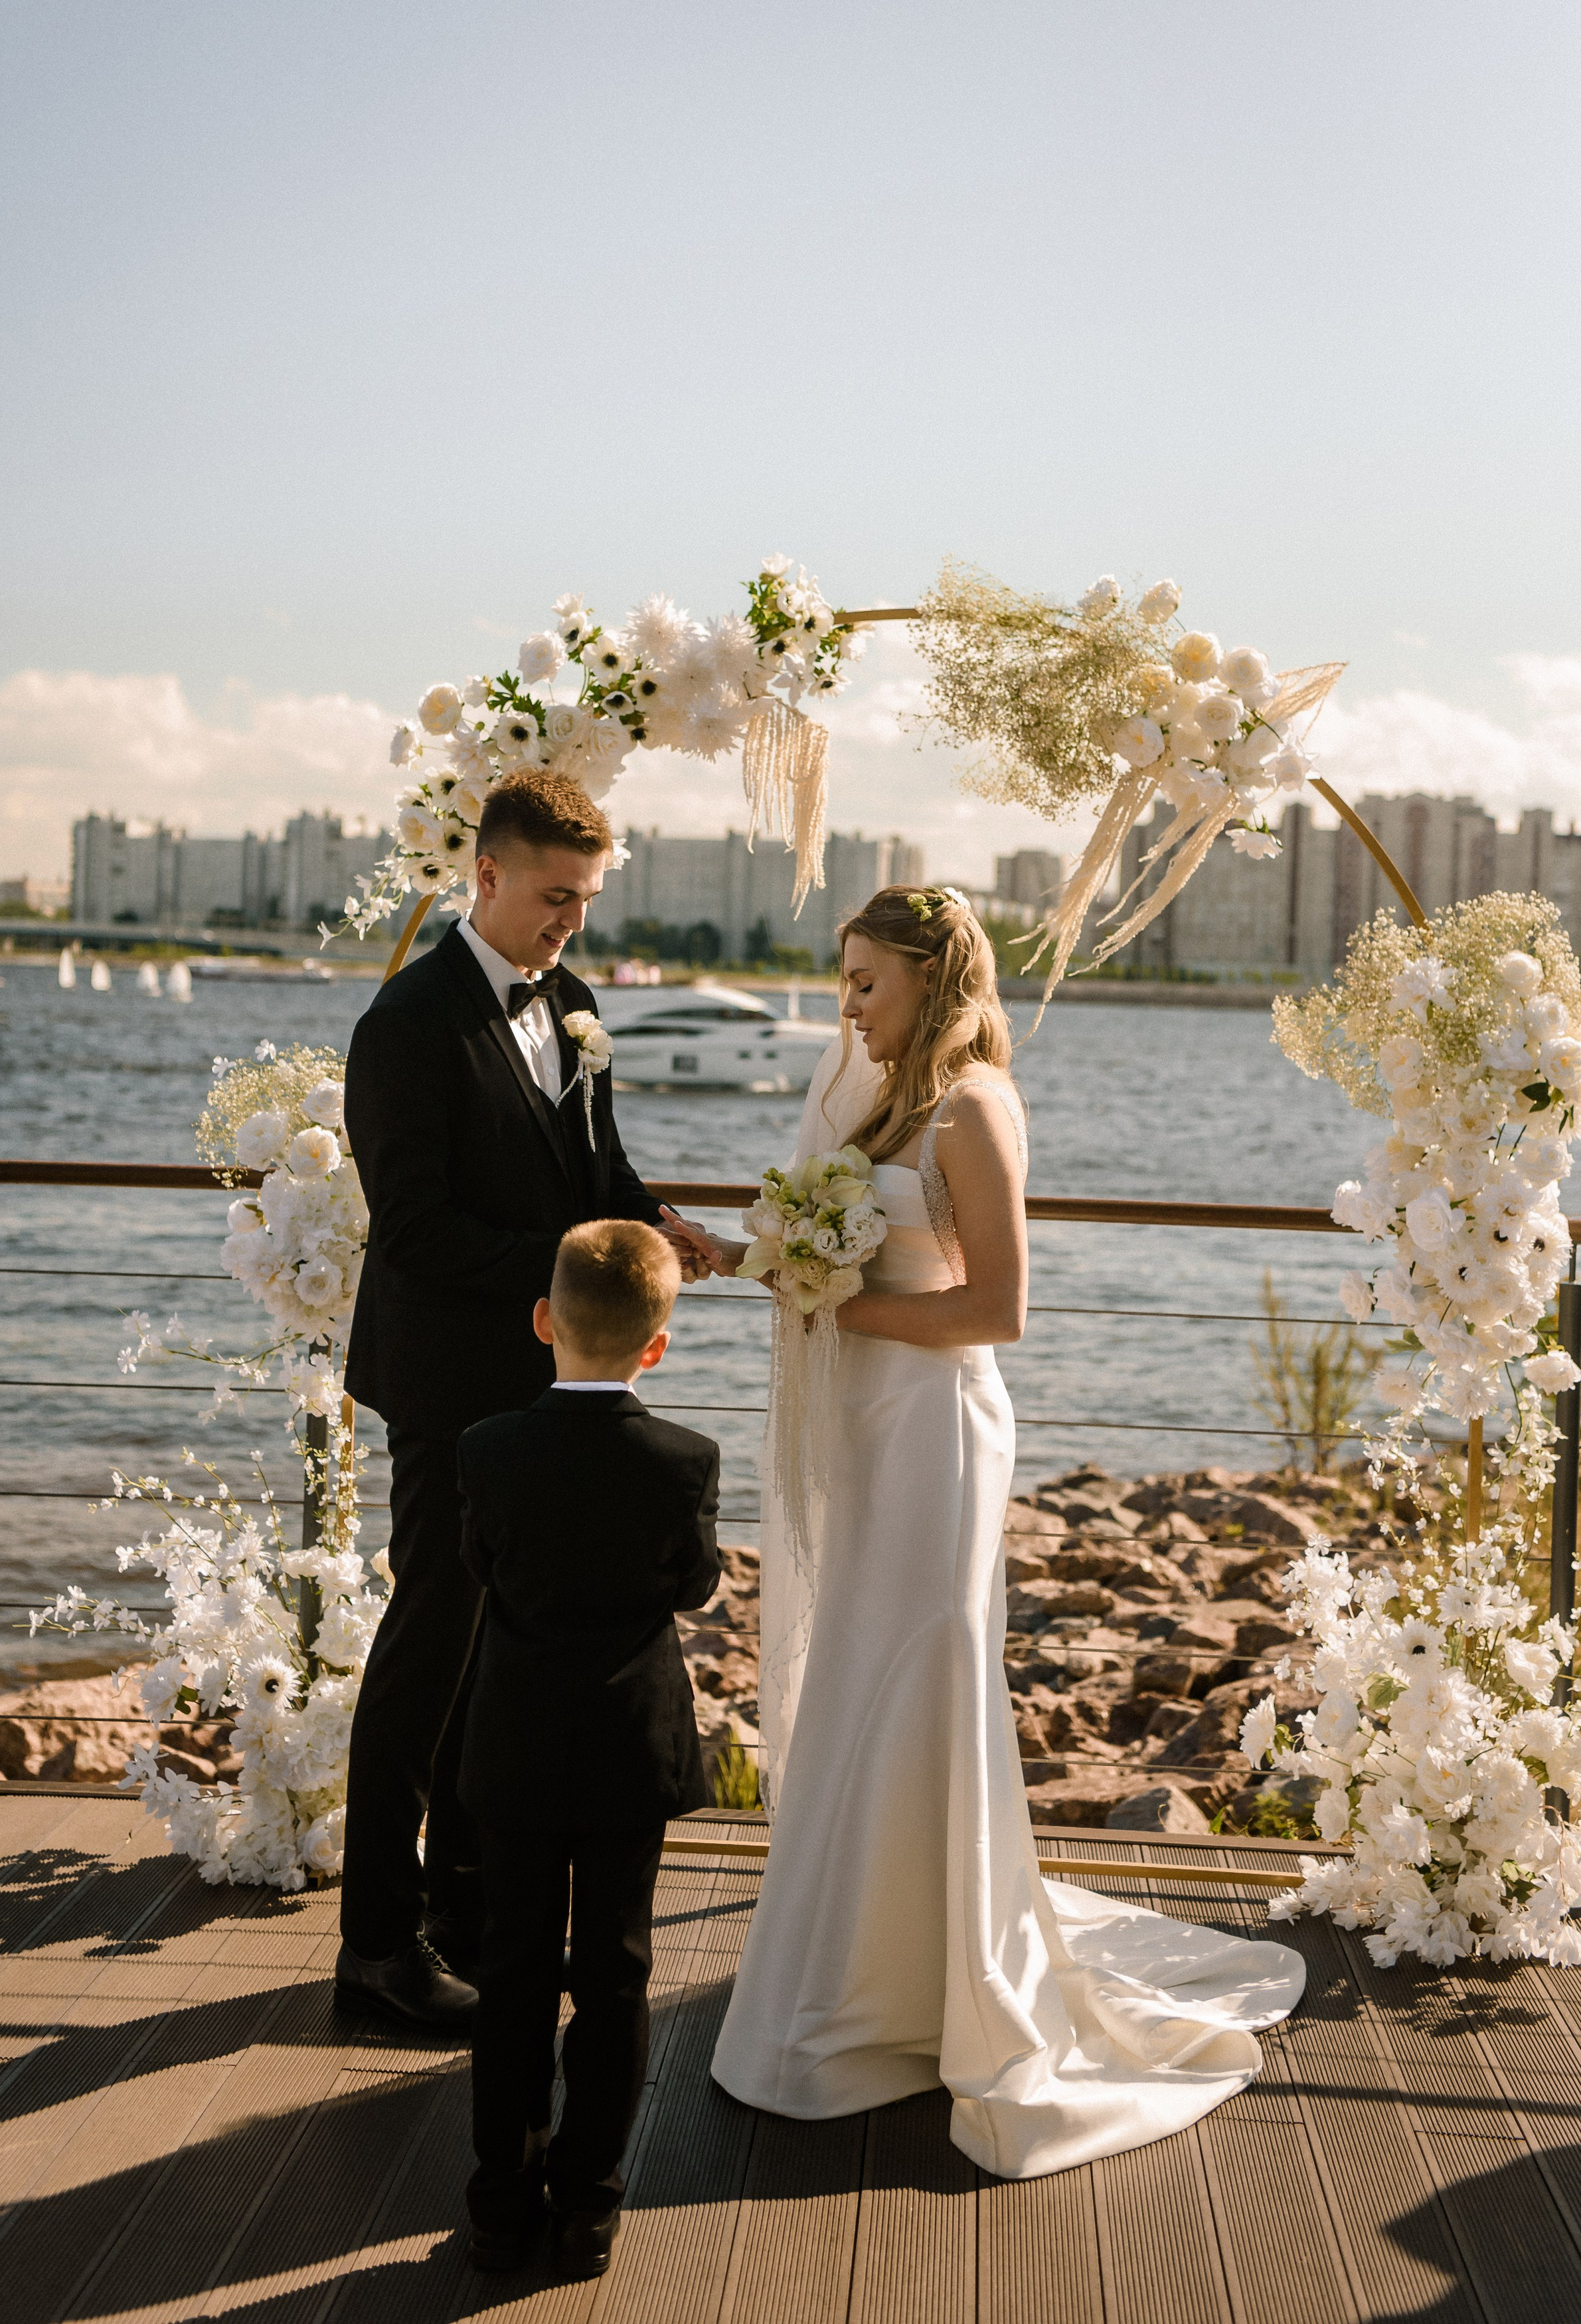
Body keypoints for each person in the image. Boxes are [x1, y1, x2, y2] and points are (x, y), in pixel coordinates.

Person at [707, 886, 1305, 2177]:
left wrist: (833, 1304)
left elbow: (998, 1310)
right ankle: (858, 1965)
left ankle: (922, 1989)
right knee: (857, 1671)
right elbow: (844, 1255)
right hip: (866, 1421)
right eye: (844, 978)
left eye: (866, 979)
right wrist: (755, 1260)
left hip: (935, 1430)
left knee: (913, 1675)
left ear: (928, 978)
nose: (847, 1005)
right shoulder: (877, 1098)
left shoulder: (972, 1107)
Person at [333, 768, 713, 2028]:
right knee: (428, 1651)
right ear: (486, 875)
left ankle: (467, 1918)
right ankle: (376, 1949)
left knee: (496, 1655)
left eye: (588, 899)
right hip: (449, 1384)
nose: (573, 922)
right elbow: (416, 1229)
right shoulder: (406, 1024)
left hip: (549, 1381)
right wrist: (570, 1272)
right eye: (556, 896)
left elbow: (594, 1170)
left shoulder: (579, 1004)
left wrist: (658, 1228)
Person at [458, 1218, 720, 2281]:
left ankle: (500, 2202)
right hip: (627, 1743)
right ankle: (589, 2206)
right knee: (615, 1971)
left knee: (512, 1967)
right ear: (657, 1345)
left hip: (516, 1740)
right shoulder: (684, 1460)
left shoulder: (486, 1449)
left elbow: (483, 1566)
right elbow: (693, 1585)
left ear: (542, 1321)